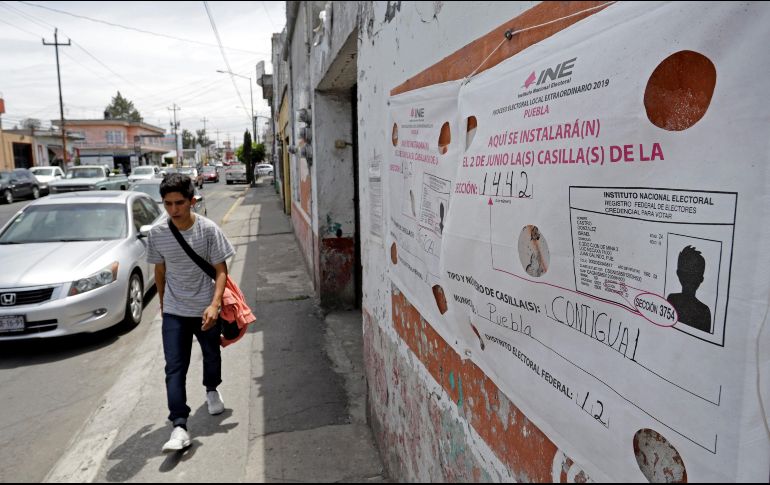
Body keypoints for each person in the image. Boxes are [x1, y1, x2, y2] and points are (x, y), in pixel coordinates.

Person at [147, 173, 235, 452]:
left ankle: (211, 388)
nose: (174, 210)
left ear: (192, 201)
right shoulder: (157, 233)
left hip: (205, 309)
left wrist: (215, 304)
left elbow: (221, 270)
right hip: (174, 310)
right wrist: (163, 305)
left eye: (180, 203)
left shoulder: (208, 230)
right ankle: (179, 426)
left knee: (211, 355)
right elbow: (159, 271)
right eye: (168, 204)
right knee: (174, 368)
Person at [667, 245, 712, 333]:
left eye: (694, 275)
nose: (690, 279)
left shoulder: (704, 311)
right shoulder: (704, 310)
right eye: (687, 274)